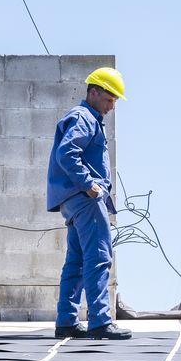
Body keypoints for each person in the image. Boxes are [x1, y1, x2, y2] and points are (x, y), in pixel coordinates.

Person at [47, 66, 131, 340]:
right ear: (93, 92)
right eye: (108, 100)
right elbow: (67, 152)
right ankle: (100, 322)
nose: (111, 107)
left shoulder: (89, 118)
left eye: (114, 102)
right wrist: (89, 184)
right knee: (99, 257)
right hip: (85, 198)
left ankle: (66, 322)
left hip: (73, 200)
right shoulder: (84, 117)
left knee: (77, 261)